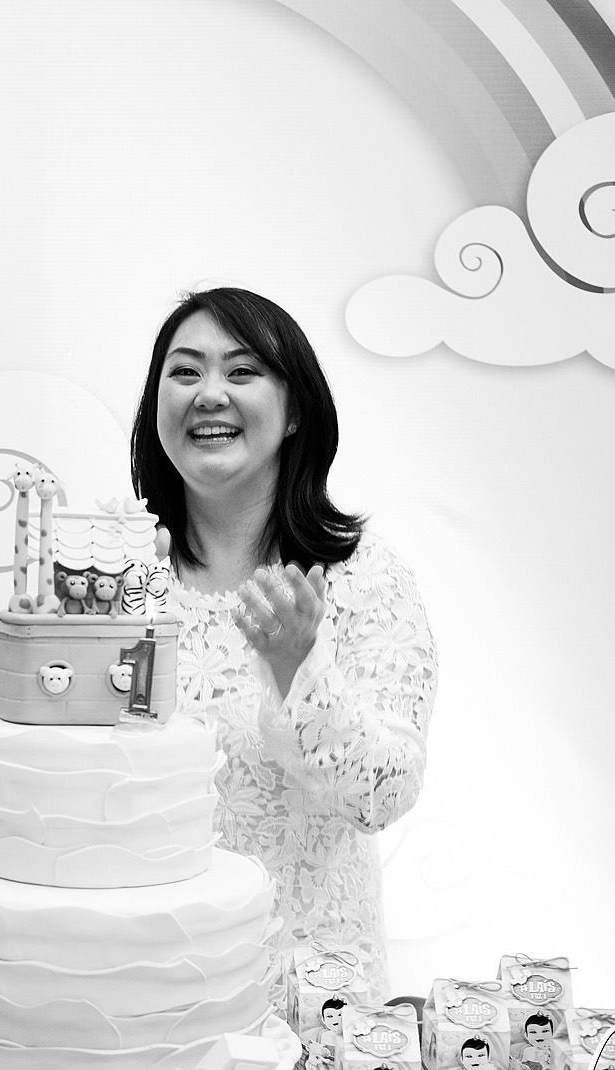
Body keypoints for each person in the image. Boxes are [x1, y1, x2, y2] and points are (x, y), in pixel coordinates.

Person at [128, 286, 437, 1000]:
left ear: (295, 410)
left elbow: (383, 795)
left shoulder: (363, 577)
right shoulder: (120, 576)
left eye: (242, 372)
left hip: (306, 996)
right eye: (185, 372)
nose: (209, 394)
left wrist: (298, 667)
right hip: (140, 990)